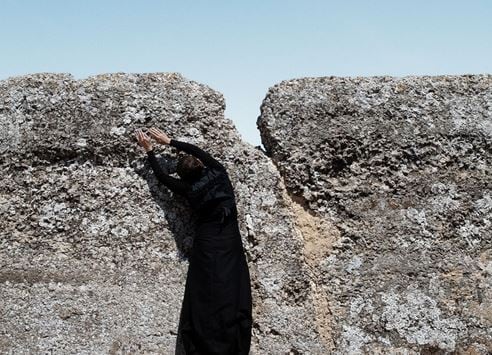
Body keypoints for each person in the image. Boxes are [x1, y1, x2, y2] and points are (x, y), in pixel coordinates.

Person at [135, 127, 253, 355]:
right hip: (228, 237)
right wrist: (169, 141)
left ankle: (204, 339)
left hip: (207, 241)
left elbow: (161, 178)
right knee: (231, 284)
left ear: (183, 176)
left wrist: (149, 152)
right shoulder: (219, 172)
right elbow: (197, 150)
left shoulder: (187, 188)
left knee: (205, 288)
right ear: (200, 165)